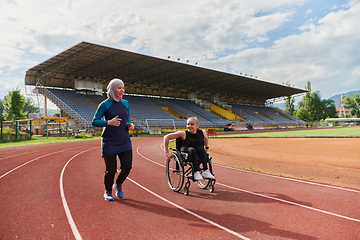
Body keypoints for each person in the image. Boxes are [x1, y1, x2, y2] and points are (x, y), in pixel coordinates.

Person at [92, 78, 134, 201]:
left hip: (125, 140)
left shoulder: (126, 103)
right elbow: (95, 121)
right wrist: (109, 122)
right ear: (112, 89)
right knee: (111, 170)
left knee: (127, 167)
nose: (122, 90)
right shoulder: (104, 104)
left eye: (123, 87)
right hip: (109, 142)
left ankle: (118, 184)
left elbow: (128, 118)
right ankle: (108, 190)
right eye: (119, 88)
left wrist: (130, 125)